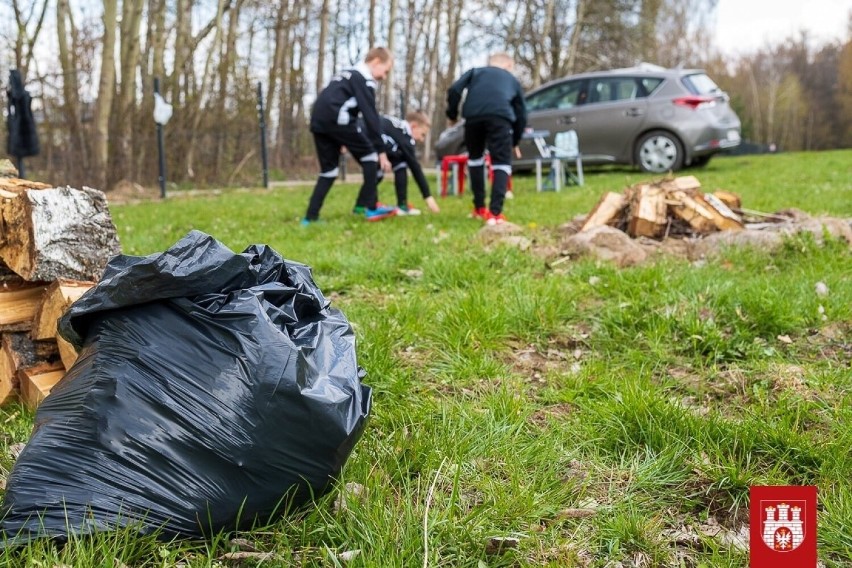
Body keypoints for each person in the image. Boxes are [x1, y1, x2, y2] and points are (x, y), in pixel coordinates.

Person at [302, 47, 396, 224]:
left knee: (329, 171)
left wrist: (340, 137)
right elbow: (371, 117)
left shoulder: (346, 74)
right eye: (385, 71)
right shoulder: (363, 79)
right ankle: (370, 208)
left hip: (319, 122)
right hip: (338, 120)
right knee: (371, 157)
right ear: (376, 62)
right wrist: (381, 151)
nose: (384, 76)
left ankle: (310, 218)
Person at [445, 52, 527, 225]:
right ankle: (495, 214)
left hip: (473, 118)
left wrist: (452, 114)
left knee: (475, 159)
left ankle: (479, 208)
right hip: (500, 118)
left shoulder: (475, 72)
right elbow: (522, 113)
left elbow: (454, 90)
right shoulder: (511, 80)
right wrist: (515, 140)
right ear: (509, 66)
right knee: (502, 163)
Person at [354, 111, 440, 216]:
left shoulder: (396, 128)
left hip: (358, 131)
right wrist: (428, 196)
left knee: (397, 163)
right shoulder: (404, 134)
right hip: (362, 137)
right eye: (422, 134)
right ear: (414, 126)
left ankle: (369, 206)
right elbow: (415, 167)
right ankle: (363, 207)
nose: (421, 140)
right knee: (381, 171)